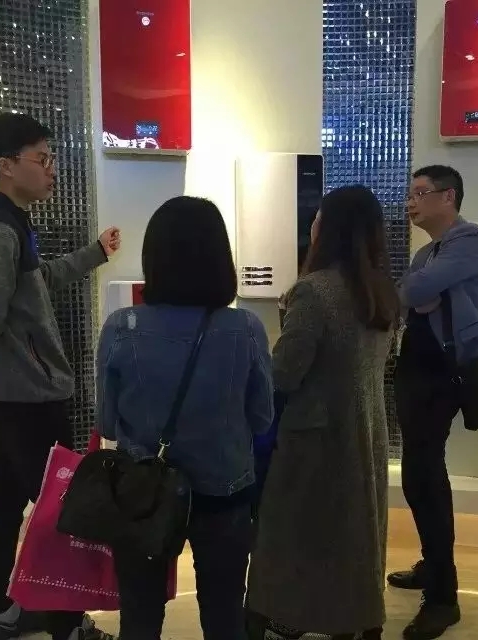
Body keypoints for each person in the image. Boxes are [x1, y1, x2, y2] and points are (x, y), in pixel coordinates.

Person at [0, 112, 119, 640]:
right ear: (6, 166)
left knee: (4, 497)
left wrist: (95, 253)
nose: (52, 170)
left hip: (10, 391)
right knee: (60, 509)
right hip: (24, 394)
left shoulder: (7, 221)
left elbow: (38, 282)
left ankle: (4, 612)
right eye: (42, 159)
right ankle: (67, 624)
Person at [96, 196, 274, 640]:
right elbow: (262, 417)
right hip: (226, 489)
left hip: (143, 493)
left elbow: (108, 423)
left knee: (139, 619)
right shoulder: (246, 328)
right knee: (225, 614)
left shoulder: (121, 326)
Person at [246, 185, 400, 640]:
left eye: (317, 217)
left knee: (295, 537)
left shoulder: (313, 291)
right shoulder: (382, 292)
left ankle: (288, 620)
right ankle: (353, 619)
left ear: (328, 228)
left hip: (313, 440)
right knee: (354, 536)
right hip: (365, 435)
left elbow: (285, 373)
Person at [388, 165, 478, 640]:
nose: (410, 202)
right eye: (409, 194)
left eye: (420, 193)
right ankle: (432, 567)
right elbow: (406, 298)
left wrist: (423, 292)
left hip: (442, 375)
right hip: (417, 372)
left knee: (425, 477)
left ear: (448, 197)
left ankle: (443, 598)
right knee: (419, 475)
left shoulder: (469, 240)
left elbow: (414, 291)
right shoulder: (426, 252)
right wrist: (422, 293)